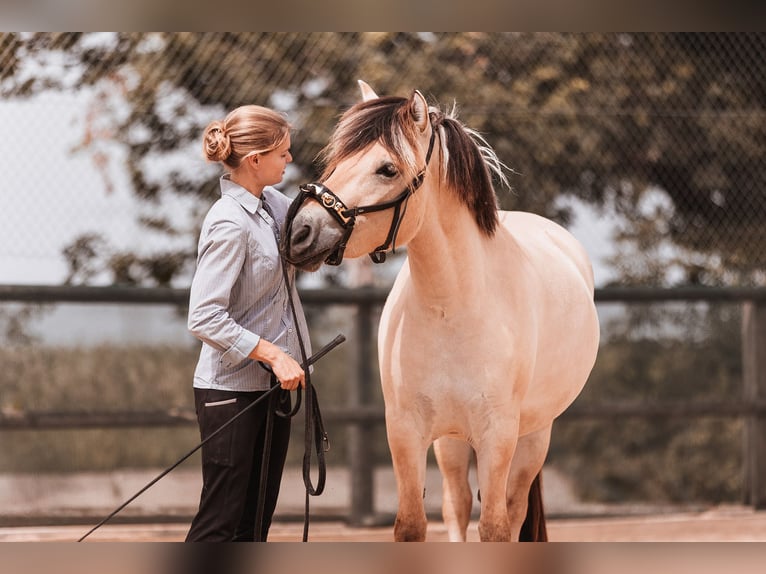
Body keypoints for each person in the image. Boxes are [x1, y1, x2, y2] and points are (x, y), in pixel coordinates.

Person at [185, 105, 311, 542]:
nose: (289, 160)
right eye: (282, 153)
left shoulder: (275, 206)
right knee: (219, 524)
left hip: (274, 390)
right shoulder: (228, 221)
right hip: (229, 394)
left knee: (254, 527)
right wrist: (274, 354)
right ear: (255, 158)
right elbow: (203, 316)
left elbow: (318, 235)